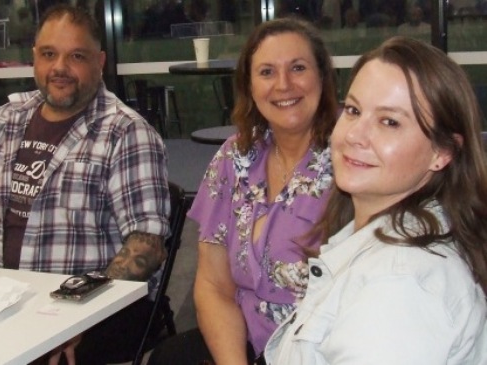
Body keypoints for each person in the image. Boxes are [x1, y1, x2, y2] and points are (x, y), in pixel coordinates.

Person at [0, 5, 170, 365]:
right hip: (3, 307)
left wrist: (78, 316)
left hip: (91, 312)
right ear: (34, 59)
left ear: (99, 61)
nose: (59, 67)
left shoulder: (125, 133)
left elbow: (146, 246)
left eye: (76, 56)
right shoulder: (4, 121)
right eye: (48, 54)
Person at [264, 36, 487, 364]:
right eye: (353, 110)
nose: (354, 134)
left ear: (442, 152)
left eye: (389, 122)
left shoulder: (400, 287)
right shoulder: (388, 240)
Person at [148, 17, 339, 365]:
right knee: (169, 357)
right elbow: (214, 286)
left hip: (324, 347)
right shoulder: (235, 158)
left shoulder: (354, 159)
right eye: (266, 72)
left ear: (323, 78)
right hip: (247, 340)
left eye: (298, 68)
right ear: (249, 86)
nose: (283, 84)